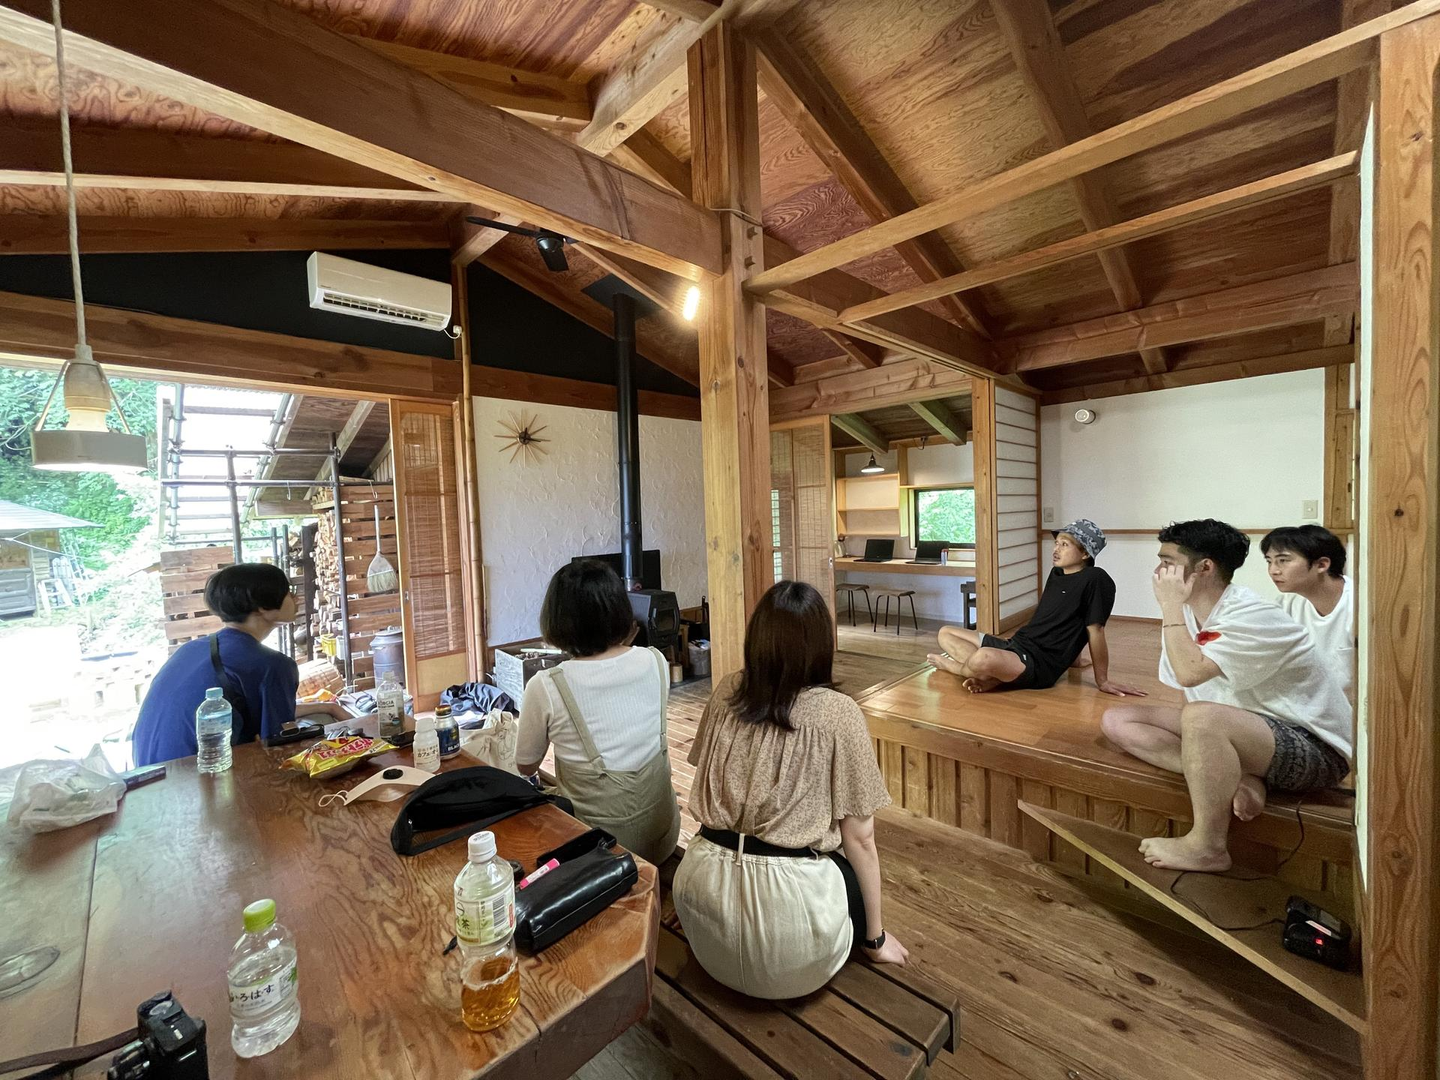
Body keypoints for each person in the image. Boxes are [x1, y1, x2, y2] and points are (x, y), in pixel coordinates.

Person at [674, 580, 908, 1000]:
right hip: (791, 942)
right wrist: (874, 940)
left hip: (701, 903)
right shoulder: (839, 714)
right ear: (822, 644)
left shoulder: (727, 690)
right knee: (844, 865)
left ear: (756, 639)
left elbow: (702, 773)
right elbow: (860, 838)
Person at [1100, 520, 1352, 872]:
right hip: (1249, 729)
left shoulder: (1251, 614)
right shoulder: (1190, 611)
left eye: (1167, 562)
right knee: (1118, 720)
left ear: (1204, 568)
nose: (1158, 572)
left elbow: (1190, 673)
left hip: (1315, 747)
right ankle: (1239, 777)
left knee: (1201, 717)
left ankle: (1208, 846)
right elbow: (1190, 689)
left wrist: (1169, 608)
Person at [516, 560, 680, 868]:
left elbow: (526, 765)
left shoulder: (547, 685)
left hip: (598, 852)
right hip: (662, 836)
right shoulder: (656, 661)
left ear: (557, 619)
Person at [132, 563, 350, 767]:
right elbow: (280, 744)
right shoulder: (271, 665)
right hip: (197, 780)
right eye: (287, 592)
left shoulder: (191, 650)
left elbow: (255, 711)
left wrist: (328, 706)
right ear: (262, 607)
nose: (296, 597)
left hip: (151, 773)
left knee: (320, 717)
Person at [927, 519, 1145, 697]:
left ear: (1085, 554)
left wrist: (1102, 680)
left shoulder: (1096, 579)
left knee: (982, 658)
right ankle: (992, 676)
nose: (1056, 549)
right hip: (1017, 644)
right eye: (1056, 543)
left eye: (1065, 545)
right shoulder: (1057, 573)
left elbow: (1094, 630)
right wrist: (1075, 660)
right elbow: (1063, 617)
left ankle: (955, 668)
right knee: (945, 633)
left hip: (1038, 662)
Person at [1261, 524, 1354, 699]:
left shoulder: (1358, 605)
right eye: (1269, 561)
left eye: (1283, 560)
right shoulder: (1286, 604)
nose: (1273, 570)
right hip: (1308, 703)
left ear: (1322, 565)